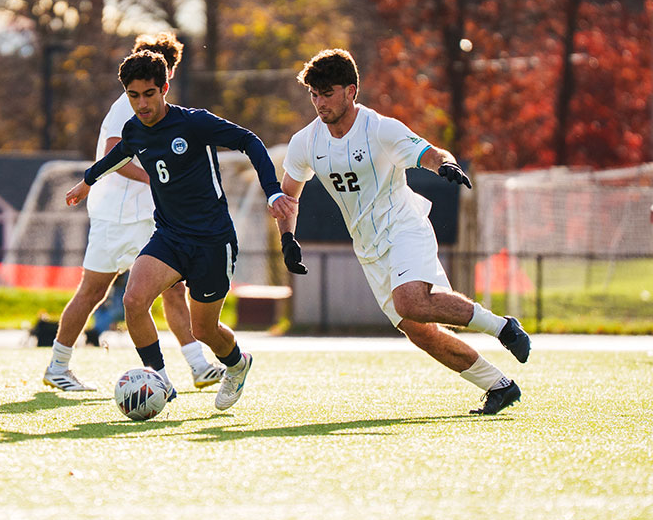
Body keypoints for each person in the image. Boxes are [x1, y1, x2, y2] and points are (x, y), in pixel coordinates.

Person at [275, 48, 531, 415]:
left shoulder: (379, 128)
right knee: (418, 328)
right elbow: (288, 196)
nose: (319, 102)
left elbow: (430, 152)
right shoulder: (306, 142)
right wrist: (287, 237)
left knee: (410, 301)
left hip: (403, 225)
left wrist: (446, 165)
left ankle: (503, 327)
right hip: (368, 246)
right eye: (313, 94)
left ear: (351, 91)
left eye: (327, 92)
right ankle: (497, 385)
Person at [65, 50, 298, 409]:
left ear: (164, 88)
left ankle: (237, 364)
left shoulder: (194, 123)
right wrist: (87, 182)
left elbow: (249, 140)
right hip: (170, 236)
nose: (141, 104)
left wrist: (273, 190)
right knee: (133, 300)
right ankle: (160, 379)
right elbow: (120, 153)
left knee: (204, 330)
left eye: (148, 94)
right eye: (133, 95)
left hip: (212, 241)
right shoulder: (134, 129)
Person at [43, 33, 225, 393]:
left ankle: (198, 366)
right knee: (93, 291)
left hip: (149, 218)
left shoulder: (163, 110)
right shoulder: (129, 104)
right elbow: (113, 156)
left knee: (174, 289)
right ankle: (58, 366)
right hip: (117, 216)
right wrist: (157, 181)